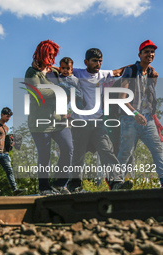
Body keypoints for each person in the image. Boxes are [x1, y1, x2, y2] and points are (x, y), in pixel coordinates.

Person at [66, 48, 133, 193]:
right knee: (78, 154)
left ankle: (116, 182)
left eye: (100, 61)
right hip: (80, 122)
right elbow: (61, 69)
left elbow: (118, 72)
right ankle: (74, 184)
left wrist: (141, 65)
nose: (98, 64)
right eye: (95, 61)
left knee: (107, 151)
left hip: (97, 121)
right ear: (86, 62)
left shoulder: (103, 74)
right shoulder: (78, 72)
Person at [25, 40, 73, 195]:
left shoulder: (55, 71)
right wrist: (59, 90)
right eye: (49, 54)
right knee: (45, 154)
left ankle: (60, 183)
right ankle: (44, 187)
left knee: (68, 148)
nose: (51, 58)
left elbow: (69, 76)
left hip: (59, 120)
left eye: (53, 55)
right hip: (40, 121)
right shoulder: (32, 72)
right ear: (41, 54)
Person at [118, 40, 163, 188]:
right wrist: (135, 113)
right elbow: (121, 99)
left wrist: (155, 120)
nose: (150, 54)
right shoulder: (130, 71)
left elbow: (148, 100)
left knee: (158, 150)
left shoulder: (152, 74)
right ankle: (116, 183)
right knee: (126, 153)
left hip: (147, 120)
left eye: (152, 52)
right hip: (129, 119)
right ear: (140, 54)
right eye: (146, 52)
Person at [0, 107, 25, 196]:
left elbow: (5, 140)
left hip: (4, 153)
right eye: (7, 116)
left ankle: (15, 189)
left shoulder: (6, 128)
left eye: (9, 117)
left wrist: (10, 144)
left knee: (9, 170)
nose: (8, 118)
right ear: (2, 115)